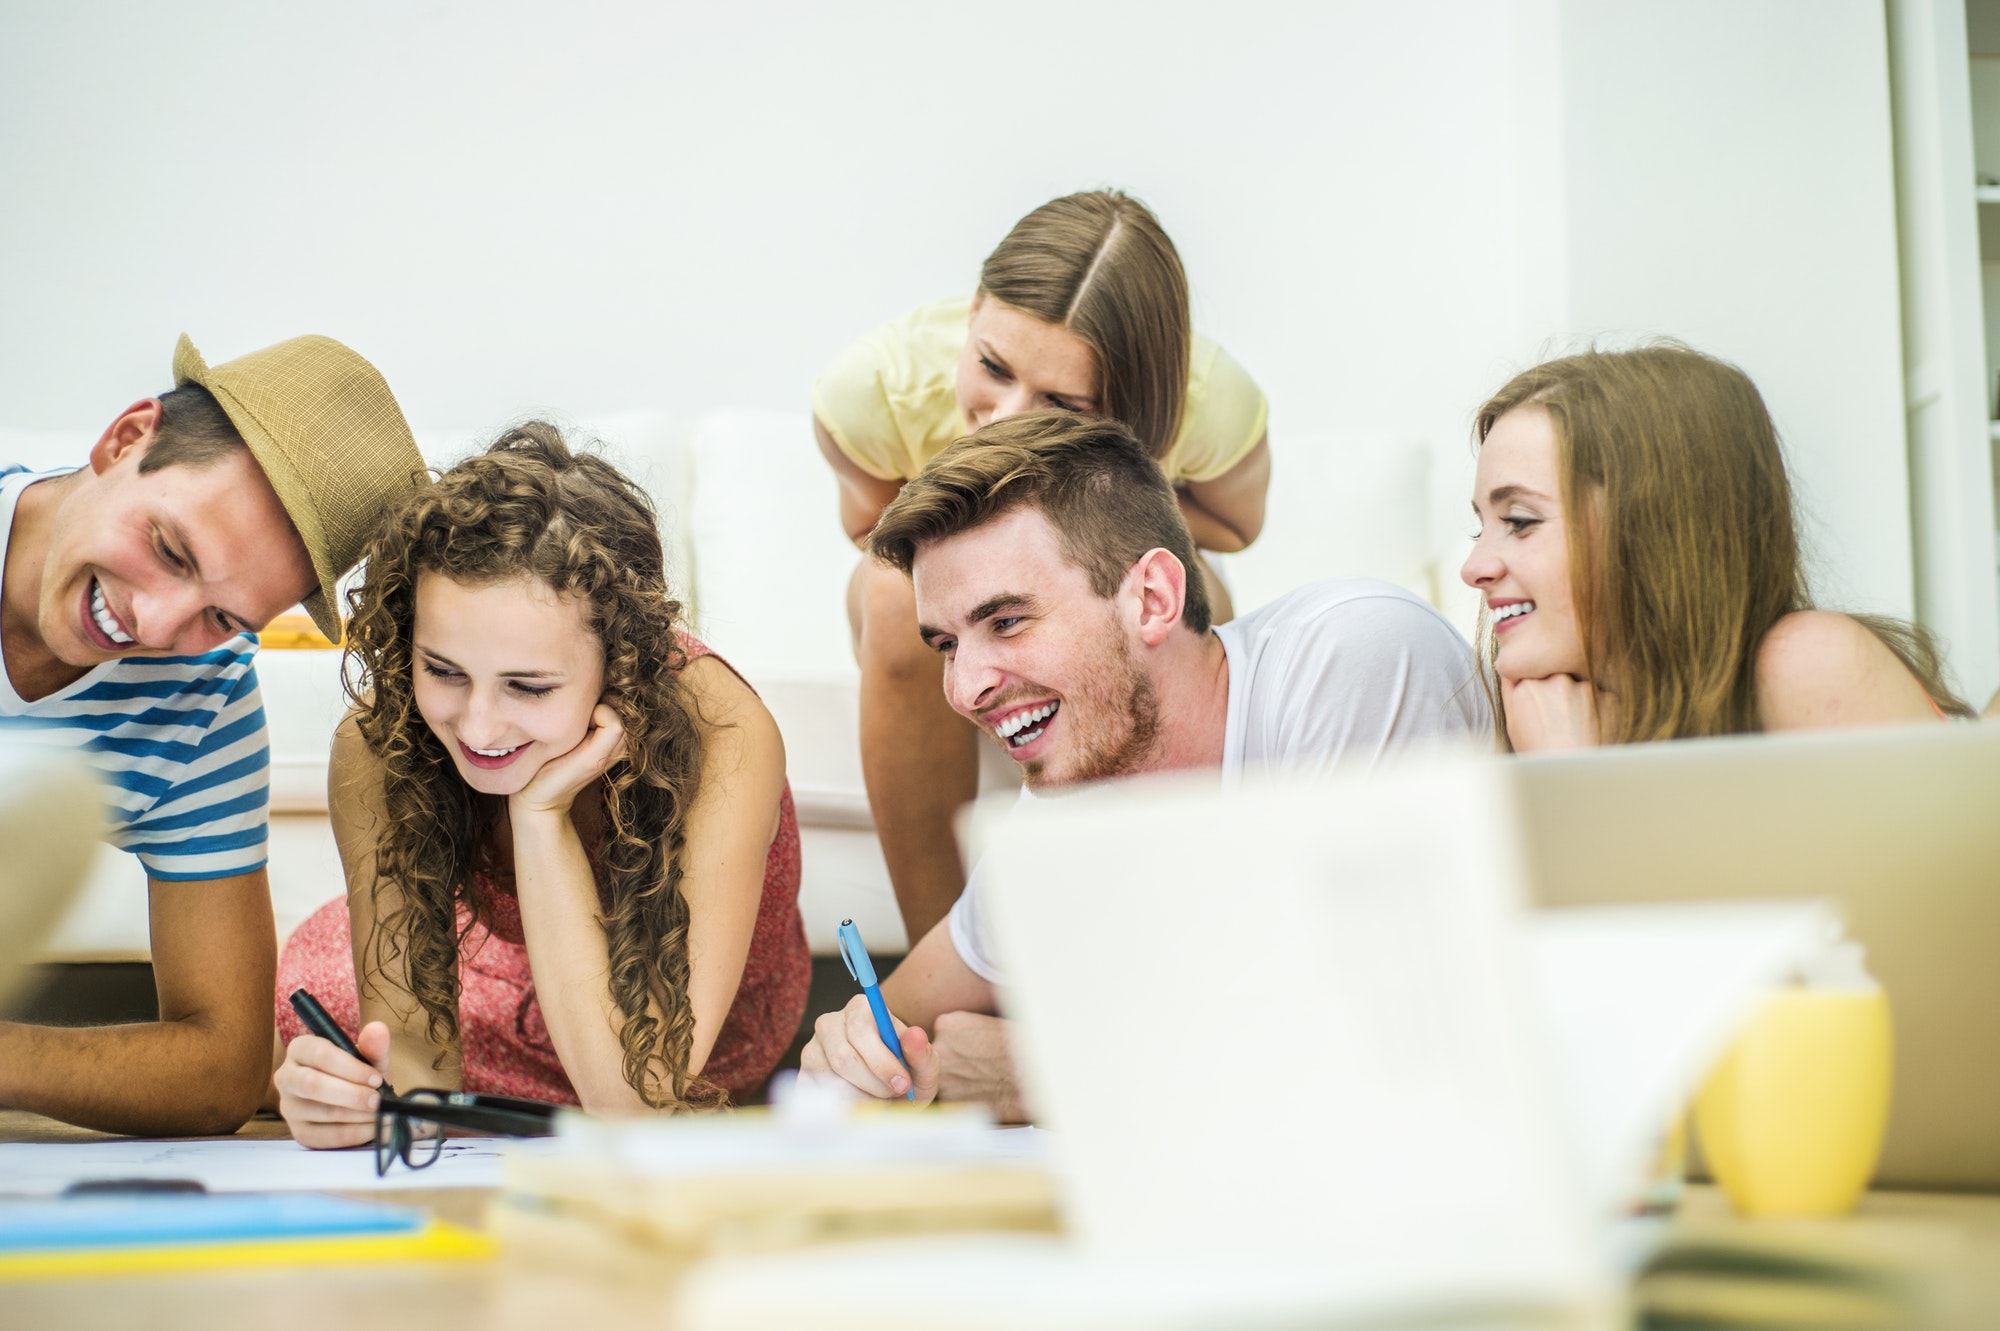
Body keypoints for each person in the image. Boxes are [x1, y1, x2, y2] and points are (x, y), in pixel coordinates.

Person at [800, 412, 1487, 1116]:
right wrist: (850, 1049)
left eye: (1006, 621)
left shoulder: (1357, 658)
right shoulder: (1070, 795)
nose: (964, 688)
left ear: (1153, 599)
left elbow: (1377, 1055)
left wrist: (1036, 1071)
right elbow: (899, 1014)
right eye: (947, 644)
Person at [272, 424, 808, 1143]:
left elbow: (638, 1102)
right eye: (444, 670)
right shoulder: (384, 738)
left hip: (687, 1041)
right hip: (521, 985)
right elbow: (417, 1070)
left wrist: (541, 813)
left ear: (621, 663)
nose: (480, 726)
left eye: (528, 686)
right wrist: (356, 1104)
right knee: (313, 996)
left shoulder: (726, 734)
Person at [814, 189, 1273, 946]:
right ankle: (953, 955)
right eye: (993, 367)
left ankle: (1181, 934)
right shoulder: (869, 390)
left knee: (1194, 594)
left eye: (1062, 403)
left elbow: (1234, 524)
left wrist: (1086, 520)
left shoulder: (1211, 398)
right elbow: (878, 530)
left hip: (1103, 544)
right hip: (951, 583)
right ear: (971, 316)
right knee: (894, 597)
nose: (1010, 419)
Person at [0, 333, 423, 1136]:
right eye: (168, 547)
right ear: (125, 439)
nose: (153, 624)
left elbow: (223, 1071)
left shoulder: (206, 705)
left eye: (223, 617)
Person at [1460, 342, 1974, 752]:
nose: (1474, 567)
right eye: (1480, 527)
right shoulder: (1550, 710)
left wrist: (1572, 784)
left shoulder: (1810, 660)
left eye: (1521, 521)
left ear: (1655, 527)